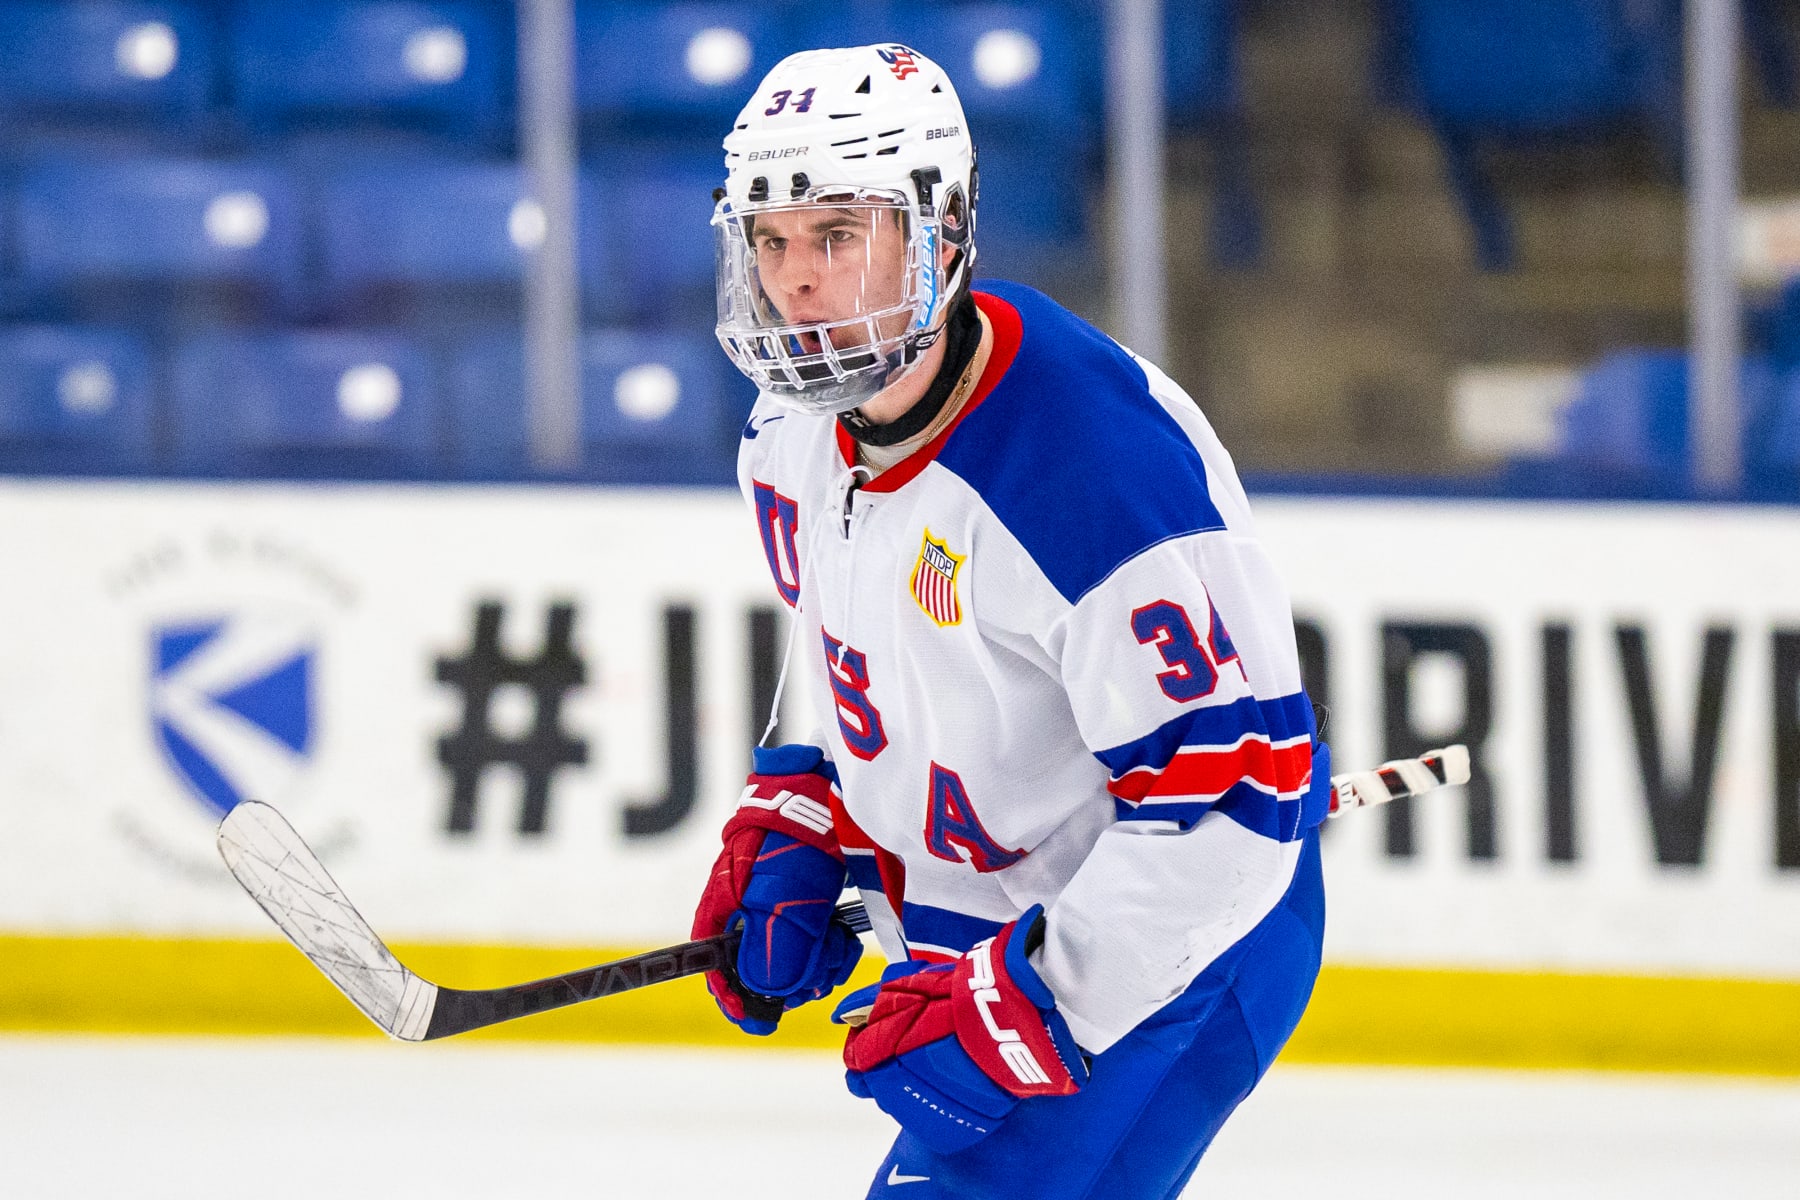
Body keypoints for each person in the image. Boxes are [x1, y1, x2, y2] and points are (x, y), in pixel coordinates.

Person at [690, 43, 1329, 1200]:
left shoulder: (1095, 472)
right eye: (772, 241)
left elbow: (1237, 807)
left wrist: (1035, 1003)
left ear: (938, 233)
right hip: (992, 929)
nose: (796, 280)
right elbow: (844, 621)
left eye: (838, 236)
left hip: (1166, 958)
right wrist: (804, 803)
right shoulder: (789, 425)